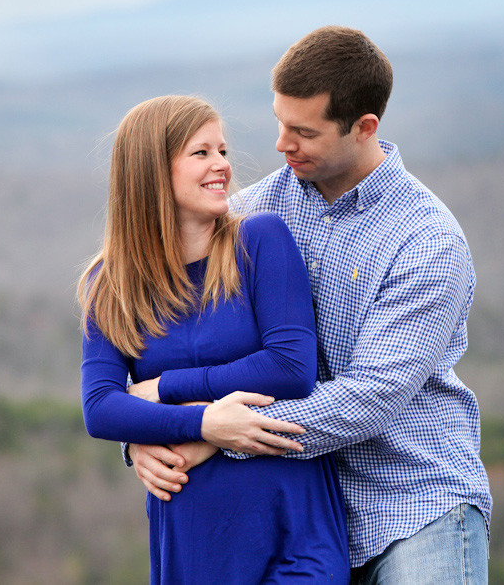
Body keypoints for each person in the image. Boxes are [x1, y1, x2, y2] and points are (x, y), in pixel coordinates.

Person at [129, 27, 492, 583]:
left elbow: (369, 398)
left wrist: (207, 429)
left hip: (415, 503)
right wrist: (144, 435)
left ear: (364, 127)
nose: (280, 143)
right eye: (279, 122)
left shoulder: (427, 241)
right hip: (293, 511)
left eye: (303, 131)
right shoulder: (248, 215)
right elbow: (171, 344)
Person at [78, 95, 350, 583]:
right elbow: (100, 409)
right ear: (152, 171)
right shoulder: (110, 282)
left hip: (293, 521)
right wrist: (206, 423)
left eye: (222, 151)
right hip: (194, 532)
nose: (222, 165)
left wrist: (166, 390)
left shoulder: (260, 241)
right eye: (201, 153)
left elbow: (290, 368)